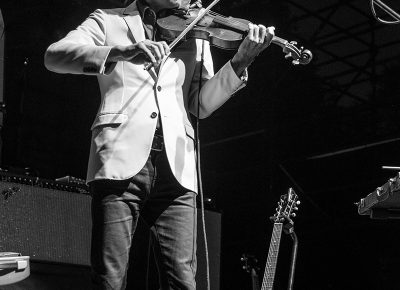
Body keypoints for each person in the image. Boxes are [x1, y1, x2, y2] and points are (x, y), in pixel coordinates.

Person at [44, 0, 274, 289]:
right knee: (109, 278)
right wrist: (121, 52)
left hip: (176, 164)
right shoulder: (109, 20)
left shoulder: (195, 30)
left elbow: (200, 105)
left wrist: (240, 61)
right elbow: (54, 56)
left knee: (183, 281)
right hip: (119, 157)